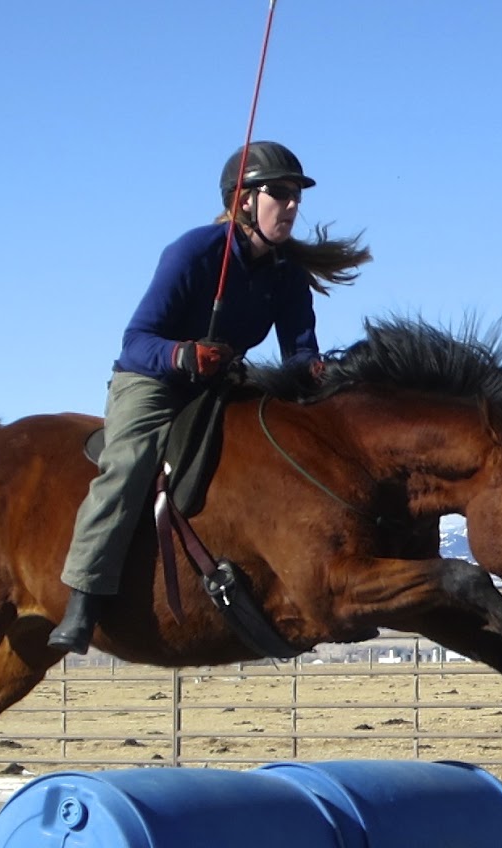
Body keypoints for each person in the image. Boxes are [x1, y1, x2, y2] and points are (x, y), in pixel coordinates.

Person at [49, 140, 371, 654]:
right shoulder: (194, 252)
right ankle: (83, 598)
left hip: (222, 383)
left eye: (297, 195)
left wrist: (321, 373)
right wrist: (184, 356)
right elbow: (136, 341)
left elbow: (299, 355)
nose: (292, 205)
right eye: (280, 193)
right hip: (152, 383)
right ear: (244, 200)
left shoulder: (287, 274)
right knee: (129, 464)